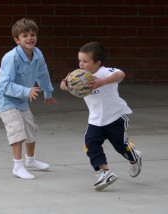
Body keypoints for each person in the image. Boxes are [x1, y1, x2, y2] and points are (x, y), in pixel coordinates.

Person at [60, 41, 142, 191]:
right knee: (90, 143)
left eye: (85, 61)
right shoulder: (79, 76)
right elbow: (63, 83)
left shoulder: (105, 72)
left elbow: (121, 74)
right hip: (96, 120)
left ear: (97, 63)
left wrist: (103, 82)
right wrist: (65, 84)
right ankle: (105, 172)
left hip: (115, 118)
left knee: (121, 146)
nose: (81, 64)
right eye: (80, 60)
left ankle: (134, 157)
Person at [0, 18, 58, 180]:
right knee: (17, 129)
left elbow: (43, 73)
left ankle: (31, 161)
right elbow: (5, 84)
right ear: (17, 40)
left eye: (32, 34)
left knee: (31, 128)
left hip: (21, 99)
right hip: (4, 98)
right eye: (24, 35)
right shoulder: (11, 57)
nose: (30, 38)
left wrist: (48, 93)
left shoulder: (38, 54)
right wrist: (26, 90)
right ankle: (18, 166)